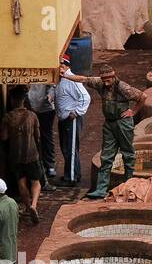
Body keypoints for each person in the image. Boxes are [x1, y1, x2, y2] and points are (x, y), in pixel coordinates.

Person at [61, 65, 145, 200]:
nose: (106, 82)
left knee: (128, 154)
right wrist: (66, 76)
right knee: (106, 156)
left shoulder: (123, 87)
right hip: (109, 123)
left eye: (108, 79)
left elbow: (143, 96)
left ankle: (129, 185)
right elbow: (83, 79)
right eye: (103, 79)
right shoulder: (100, 83)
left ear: (114, 76)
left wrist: (133, 112)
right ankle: (101, 189)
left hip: (123, 123)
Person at [0, 87, 43, 225]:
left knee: (21, 182)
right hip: (32, 154)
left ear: (12, 100)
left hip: (15, 155)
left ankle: (26, 205)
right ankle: (34, 206)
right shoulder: (32, 116)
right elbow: (38, 136)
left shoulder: (7, 117)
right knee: (36, 181)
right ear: (24, 99)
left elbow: (4, 137)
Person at [55, 54, 90, 187]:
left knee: (70, 148)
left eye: (62, 65)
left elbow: (85, 98)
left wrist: (77, 112)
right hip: (63, 119)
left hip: (72, 120)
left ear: (67, 66)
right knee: (66, 148)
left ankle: (71, 178)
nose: (60, 68)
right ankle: (73, 173)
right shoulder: (60, 80)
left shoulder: (71, 80)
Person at [26, 81, 57, 181]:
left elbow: (53, 85)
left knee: (46, 136)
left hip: (45, 108)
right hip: (30, 107)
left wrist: (50, 96)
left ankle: (49, 164)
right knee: (33, 137)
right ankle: (38, 164)